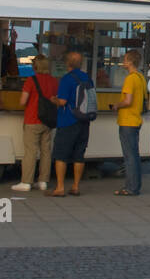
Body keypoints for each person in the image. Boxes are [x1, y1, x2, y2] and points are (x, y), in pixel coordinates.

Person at [49, 51, 93, 197]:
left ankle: (60, 187)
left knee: (61, 155)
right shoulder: (87, 78)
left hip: (68, 120)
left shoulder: (67, 79)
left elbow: (62, 101)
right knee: (79, 155)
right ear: (80, 64)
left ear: (67, 63)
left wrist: (53, 99)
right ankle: (75, 186)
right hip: (84, 121)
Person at [14, 54, 57, 191]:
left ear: (35, 66)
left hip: (32, 119)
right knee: (46, 151)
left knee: (31, 151)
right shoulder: (54, 81)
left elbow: (22, 101)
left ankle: (26, 182)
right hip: (48, 121)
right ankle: (43, 181)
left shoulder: (31, 81)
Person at [108, 49, 147, 196]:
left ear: (130, 62)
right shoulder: (141, 77)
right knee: (134, 155)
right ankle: (135, 185)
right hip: (136, 119)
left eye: (125, 59)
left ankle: (130, 187)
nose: (123, 62)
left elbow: (128, 100)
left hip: (128, 120)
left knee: (129, 156)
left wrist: (117, 105)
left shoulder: (130, 78)